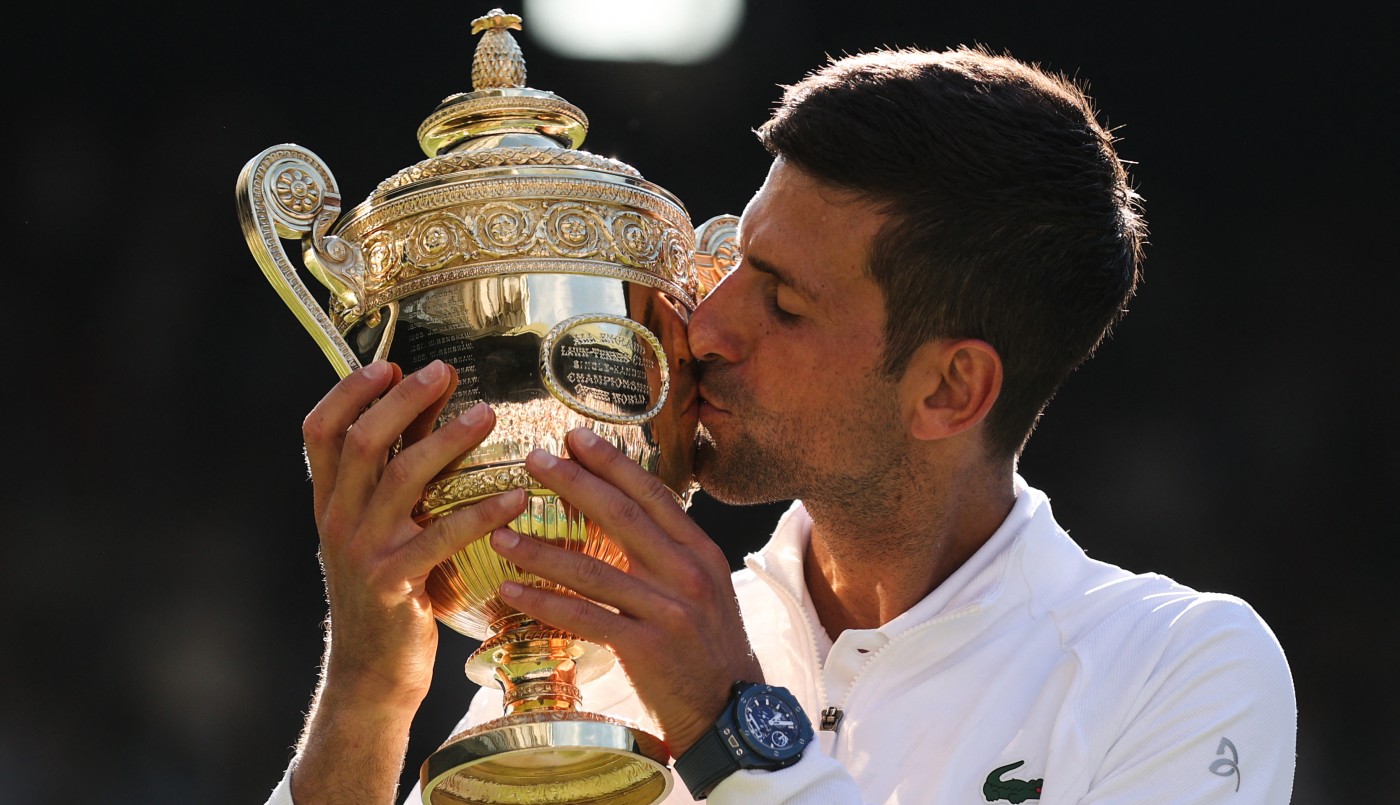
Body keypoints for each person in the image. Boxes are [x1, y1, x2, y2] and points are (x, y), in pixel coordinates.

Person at [264, 46, 1296, 804]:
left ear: (947, 391)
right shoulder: (610, 650)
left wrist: (728, 732)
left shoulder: (1176, 669)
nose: (702, 329)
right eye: (734, 264)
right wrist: (366, 685)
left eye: (783, 302)